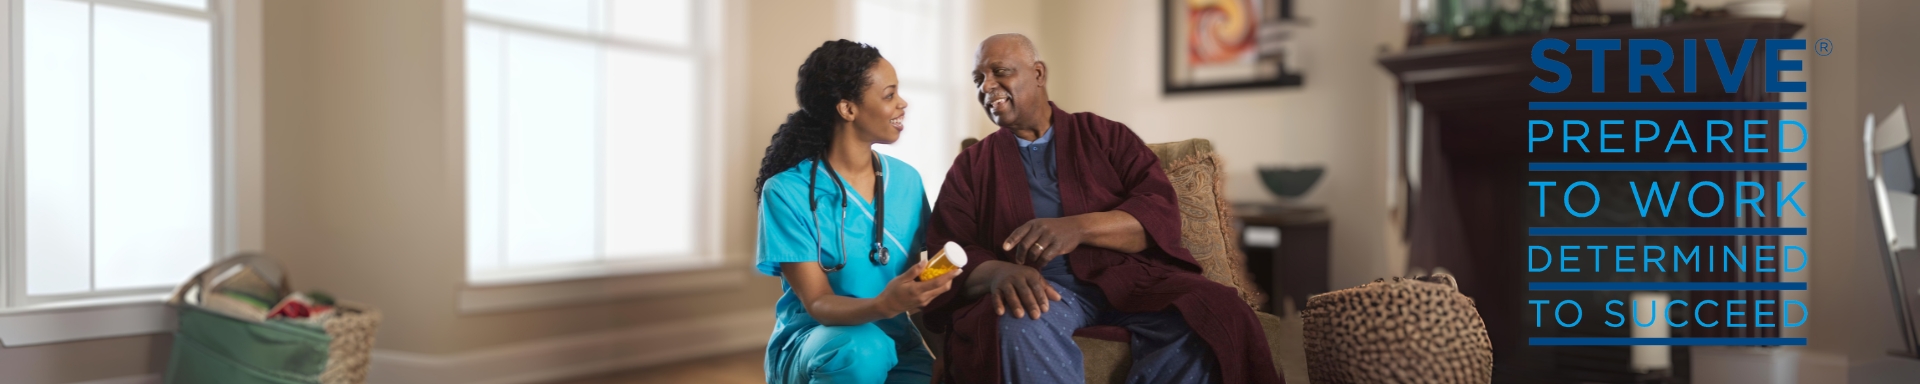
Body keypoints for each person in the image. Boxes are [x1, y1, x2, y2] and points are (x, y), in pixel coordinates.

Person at [921, 34, 1282, 384]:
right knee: (1017, 321)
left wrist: (1077, 228)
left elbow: (1158, 213)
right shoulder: (971, 166)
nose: (987, 86)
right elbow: (946, 252)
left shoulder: (1107, 136)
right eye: (978, 78)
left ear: (1039, 74)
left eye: (1000, 71)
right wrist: (998, 272)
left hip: (1130, 280)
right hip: (1041, 290)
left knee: (1213, 312)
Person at [755, 39, 959, 384]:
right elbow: (818, 303)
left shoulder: (906, 182)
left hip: (896, 342)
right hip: (821, 342)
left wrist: (943, 354)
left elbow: (920, 287)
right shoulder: (786, 192)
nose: (902, 103)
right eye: (889, 95)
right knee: (862, 350)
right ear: (848, 109)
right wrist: (885, 304)